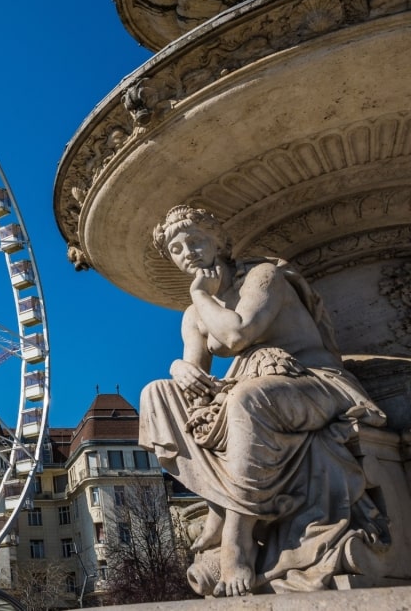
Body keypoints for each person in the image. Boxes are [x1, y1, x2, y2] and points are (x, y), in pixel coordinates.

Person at [139, 205, 389, 597]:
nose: (186, 251)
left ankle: (237, 542)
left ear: (218, 241)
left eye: (195, 241)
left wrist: (200, 294)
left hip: (314, 382)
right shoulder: (195, 314)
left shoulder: (263, 276)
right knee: (157, 394)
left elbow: (238, 335)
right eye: (176, 248)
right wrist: (178, 369)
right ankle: (221, 505)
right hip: (251, 390)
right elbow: (195, 377)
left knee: (246, 400)